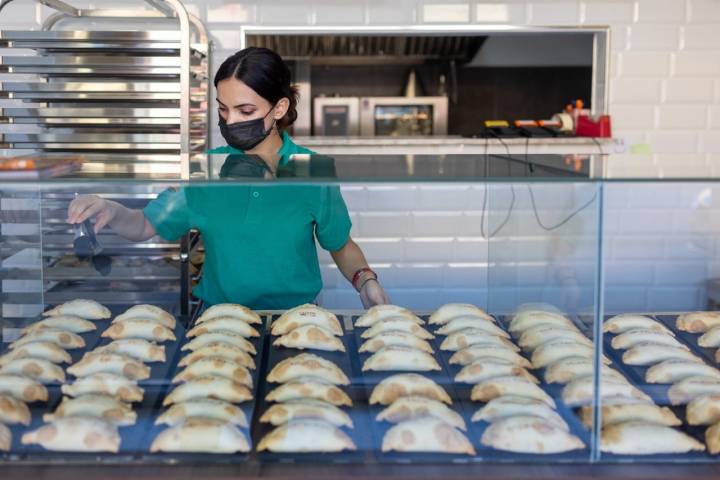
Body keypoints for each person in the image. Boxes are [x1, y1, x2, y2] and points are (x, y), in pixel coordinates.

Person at [67, 47, 390, 310]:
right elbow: (144, 225)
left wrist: (366, 281)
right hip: (218, 319)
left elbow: (340, 244)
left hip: (297, 318)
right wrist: (110, 209)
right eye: (223, 110)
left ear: (279, 109)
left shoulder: (313, 170)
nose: (231, 121)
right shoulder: (206, 169)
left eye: (245, 111)